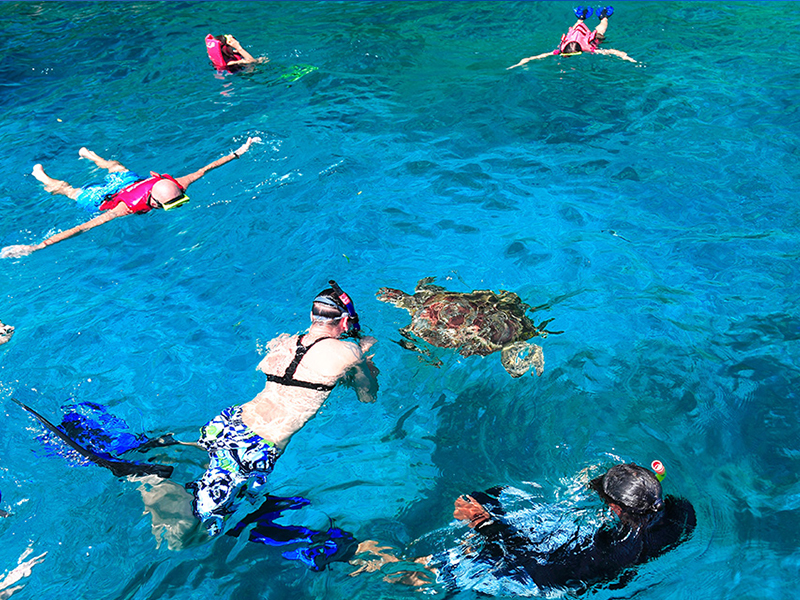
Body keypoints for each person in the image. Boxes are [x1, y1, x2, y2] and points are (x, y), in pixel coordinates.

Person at [186, 280, 379, 536]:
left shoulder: (283, 342)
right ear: (344, 323)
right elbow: (368, 397)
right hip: (259, 445)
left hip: (228, 421)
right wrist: (362, 362)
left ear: (312, 316)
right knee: (200, 529)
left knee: (187, 482)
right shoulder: (350, 351)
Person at [352, 462, 696, 594]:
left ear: (616, 509)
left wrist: (483, 523)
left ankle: (353, 554)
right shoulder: (680, 514)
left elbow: (533, 564)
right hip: (585, 562)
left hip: (539, 576)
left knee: (420, 577)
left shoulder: (610, 549)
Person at [1, 136, 260, 259]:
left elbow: (207, 168)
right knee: (69, 191)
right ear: (156, 202)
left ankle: (91, 157)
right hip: (104, 198)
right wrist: (39, 247)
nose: (176, 205)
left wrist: (239, 152)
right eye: (173, 204)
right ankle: (42, 177)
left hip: (131, 183)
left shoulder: (178, 184)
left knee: (115, 166)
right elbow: (82, 227)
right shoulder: (124, 209)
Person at [508, 6, 636, 69]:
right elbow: (612, 52)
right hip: (578, 35)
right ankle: (589, 16)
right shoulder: (565, 50)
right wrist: (625, 57)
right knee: (580, 29)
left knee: (600, 29)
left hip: (583, 36)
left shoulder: (585, 48)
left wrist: (627, 57)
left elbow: (533, 57)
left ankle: (602, 15)